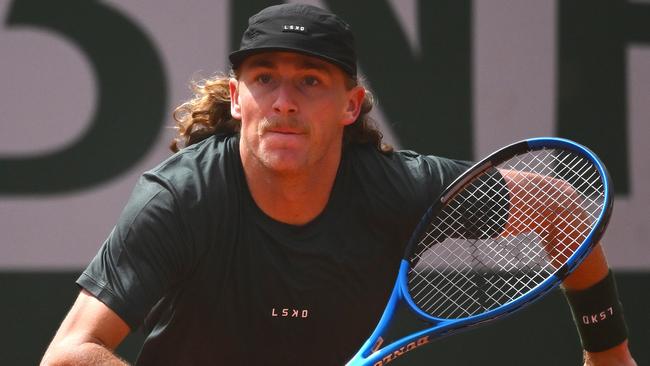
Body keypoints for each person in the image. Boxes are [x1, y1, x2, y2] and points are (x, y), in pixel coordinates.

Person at [41, 4, 636, 366]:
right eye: (264, 78)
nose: (284, 102)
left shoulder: (397, 190)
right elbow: (69, 354)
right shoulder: (182, 199)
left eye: (310, 82)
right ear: (237, 100)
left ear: (351, 105)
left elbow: (564, 208)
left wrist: (607, 351)